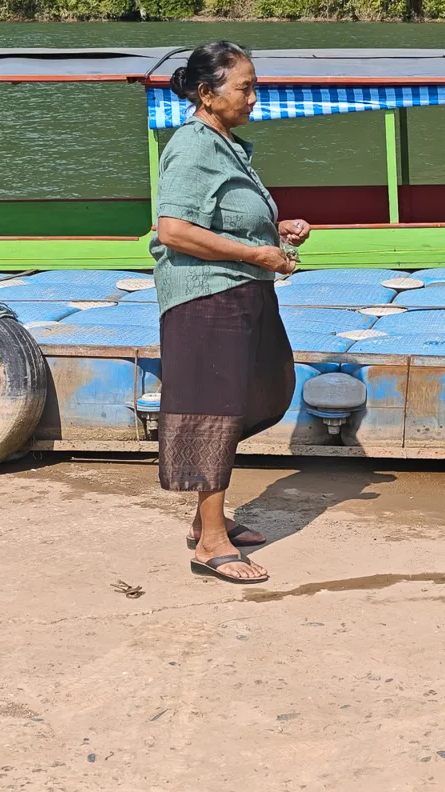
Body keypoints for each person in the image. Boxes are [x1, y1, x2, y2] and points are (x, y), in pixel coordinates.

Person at [152, 40, 311, 584]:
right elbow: (173, 230)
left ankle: (207, 516)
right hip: (205, 297)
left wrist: (276, 230)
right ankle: (210, 539)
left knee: (260, 390)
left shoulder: (229, 146)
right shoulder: (192, 146)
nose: (253, 96)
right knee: (213, 409)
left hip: (242, 289)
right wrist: (254, 252)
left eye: (252, 85)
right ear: (206, 93)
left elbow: (226, 216)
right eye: (244, 87)